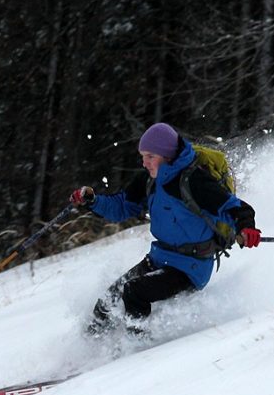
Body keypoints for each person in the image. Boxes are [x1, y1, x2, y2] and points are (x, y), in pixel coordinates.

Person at [71, 122, 261, 336]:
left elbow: (234, 207)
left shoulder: (194, 181)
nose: (144, 163)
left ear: (168, 155)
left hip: (191, 266)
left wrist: (246, 228)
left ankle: (135, 347)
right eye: (143, 156)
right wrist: (93, 201)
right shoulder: (150, 180)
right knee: (107, 302)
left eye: (150, 156)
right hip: (160, 257)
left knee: (134, 292)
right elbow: (122, 206)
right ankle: (88, 350)